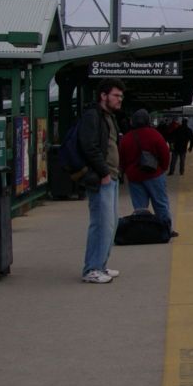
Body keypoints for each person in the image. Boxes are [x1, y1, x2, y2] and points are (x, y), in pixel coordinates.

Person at [78, 78, 125, 284]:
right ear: (103, 96)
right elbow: (89, 147)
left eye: (121, 96)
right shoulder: (92, 116)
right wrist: (104, 172)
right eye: (116, 95)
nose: (119, 100)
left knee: (111, 224)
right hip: (101, 178)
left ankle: (101, 265)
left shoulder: (109, 117)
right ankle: (92, 269)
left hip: (112, 177)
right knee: (101, 224)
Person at [119, 109, 178, 238]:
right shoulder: (155, 135)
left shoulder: (127, 138)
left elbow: (122, 159)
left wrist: (126, 172)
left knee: (140, 207)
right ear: (147, 120)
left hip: (134, 177)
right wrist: (162, 169)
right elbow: (165, 154)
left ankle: (142, 230)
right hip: (154, 175)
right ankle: (166, 229)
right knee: (161, 203)